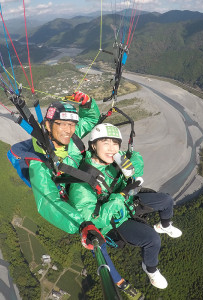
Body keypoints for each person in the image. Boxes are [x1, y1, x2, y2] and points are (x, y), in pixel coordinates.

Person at [21, 93, 143, 298]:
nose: (69, 129)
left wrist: (86, 103)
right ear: (48, 125)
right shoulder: (40, 162)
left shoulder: (70, 137)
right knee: (100, 239)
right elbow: (47, 200)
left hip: (92, 180)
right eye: (62, 124)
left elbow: (91, 119)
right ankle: (119, 281)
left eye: (72, 124)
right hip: (78, 199)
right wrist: (81, 224)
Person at [68, 123, 183, 289]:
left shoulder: (116, 158)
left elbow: (135, 156)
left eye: (115, 143)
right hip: (114, 220)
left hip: (127, 201)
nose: (112, 148)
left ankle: (164, 225)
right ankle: (150, 269)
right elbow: (93, 220)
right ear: (93, 145)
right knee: (152, 240)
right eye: (105, 142)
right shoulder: (83, 181)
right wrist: (119, 197)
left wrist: (130, 166)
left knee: (166, 201)